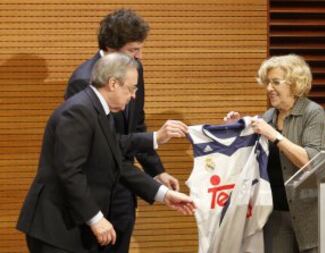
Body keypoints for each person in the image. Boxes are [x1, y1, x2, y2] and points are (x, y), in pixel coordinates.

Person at [17, 52, 195, 253]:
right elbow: (70, 172)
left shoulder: (100, 111)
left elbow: (118, 163)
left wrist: (165, 195)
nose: (134, 95)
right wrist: (96, 218)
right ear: (113, 84)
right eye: (131, 88)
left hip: (70, 227)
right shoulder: (78, 111)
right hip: (55, 229)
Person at [64, 9, 181, 252]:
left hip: (125, 185)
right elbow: (100, 146)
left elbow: (137, 124)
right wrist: (156, 138)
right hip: (95, 190)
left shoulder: (133, 69)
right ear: (110, 48)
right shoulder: (83, 82)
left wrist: (156, 171)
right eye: (133, 50)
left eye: (140, 49)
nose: (139, 56)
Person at [224, 54, 325, 253]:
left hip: (308, 215)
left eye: (275, 82)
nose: (269, 88)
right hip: (274, 215)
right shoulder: (269, 116)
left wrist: (274, 135)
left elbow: (313, 162)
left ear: (294, 83)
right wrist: (236, 128)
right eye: (267, 83)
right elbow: (252, 158)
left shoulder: (313, 113)